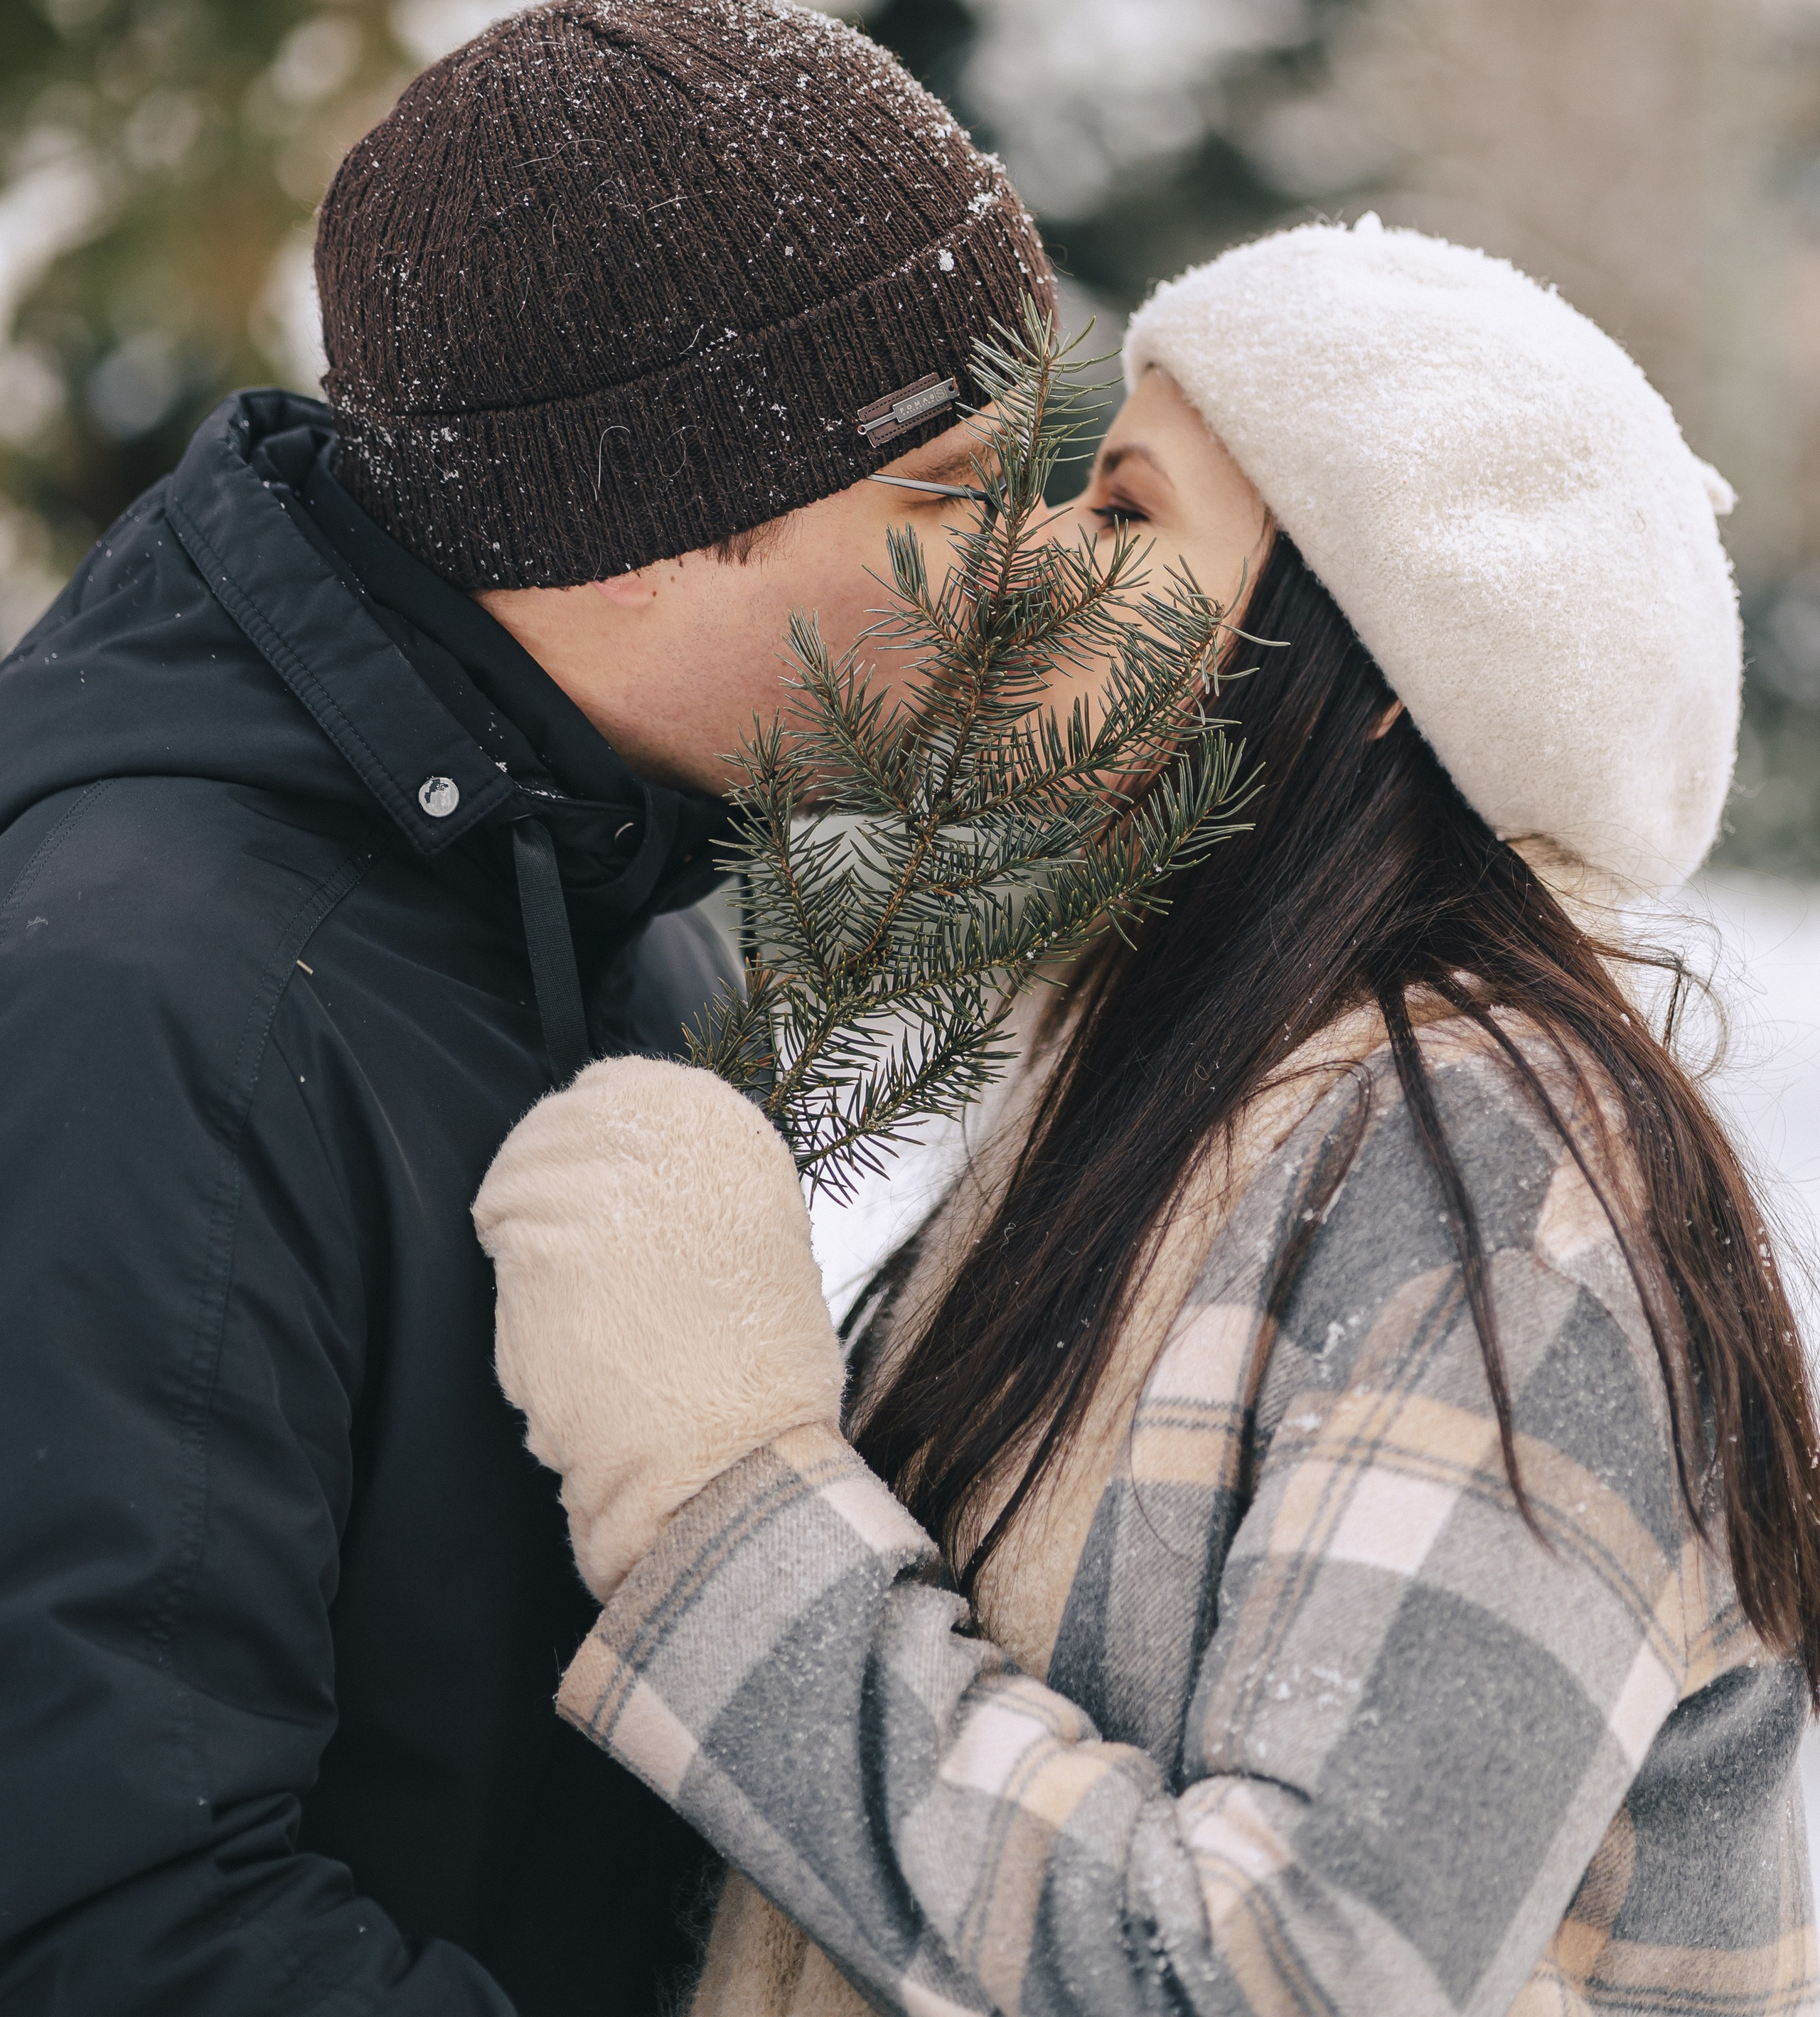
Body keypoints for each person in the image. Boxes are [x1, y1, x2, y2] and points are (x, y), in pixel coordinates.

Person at [478, 217, 1820, 2017]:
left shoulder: (1505, 1195)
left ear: (1372, 677)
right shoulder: (1182, 1095)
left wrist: (712, 1492)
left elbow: (1280, 1981)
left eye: (1121, 510)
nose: (1020, 553)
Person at [0, 0, 1052, 2015]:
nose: (1017, 565)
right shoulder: (154, 1000)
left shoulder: (596, 873)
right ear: (637, 523)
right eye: (943, 491)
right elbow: (107, 1917)